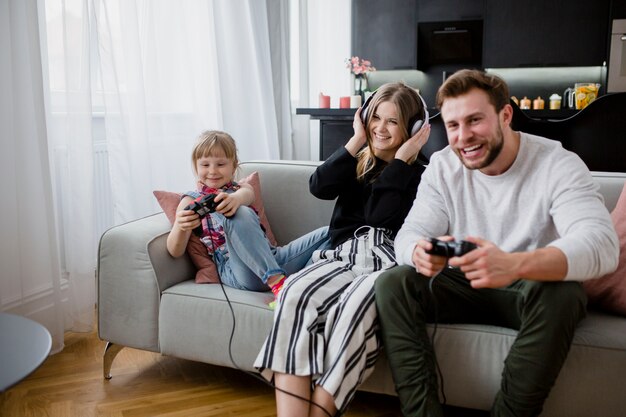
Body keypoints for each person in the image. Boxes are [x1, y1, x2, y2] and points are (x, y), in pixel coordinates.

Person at [375, 69, 620, 417]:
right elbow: (409, 233)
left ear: (505, 115)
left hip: (528, 288)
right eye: (454, 125)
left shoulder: (558, 164)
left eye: (475, 120)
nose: (464, 137)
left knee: (564, 294)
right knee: (393, 282)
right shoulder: (443, 167)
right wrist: (419, 252)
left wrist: (515, 264)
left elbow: (601, 245)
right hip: (463, 283)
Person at [254, 82, 431, 417]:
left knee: (352, 310)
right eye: (375, 117)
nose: (380, 127)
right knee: (294, 292)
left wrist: (402, 162)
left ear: (414, 129)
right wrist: (356, 140)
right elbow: (318, 185)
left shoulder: (422, 174)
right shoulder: (358, 161)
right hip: (343, 254)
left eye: (392, 122)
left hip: (390, 261)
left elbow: (380, 216)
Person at [167, 130, 329, 304]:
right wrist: (181, 227)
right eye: (205, 165)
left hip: (272, 257)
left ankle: (299, 282)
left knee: (333, 230)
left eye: (221, 164)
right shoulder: (190, 201)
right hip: (237, 270)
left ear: (234, 166)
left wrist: (234, 199)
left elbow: (246, 195)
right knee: (239, 213)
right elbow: (174, 251)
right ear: (196, 167)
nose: (212, 171)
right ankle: (278, 284)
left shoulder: (241, 190)